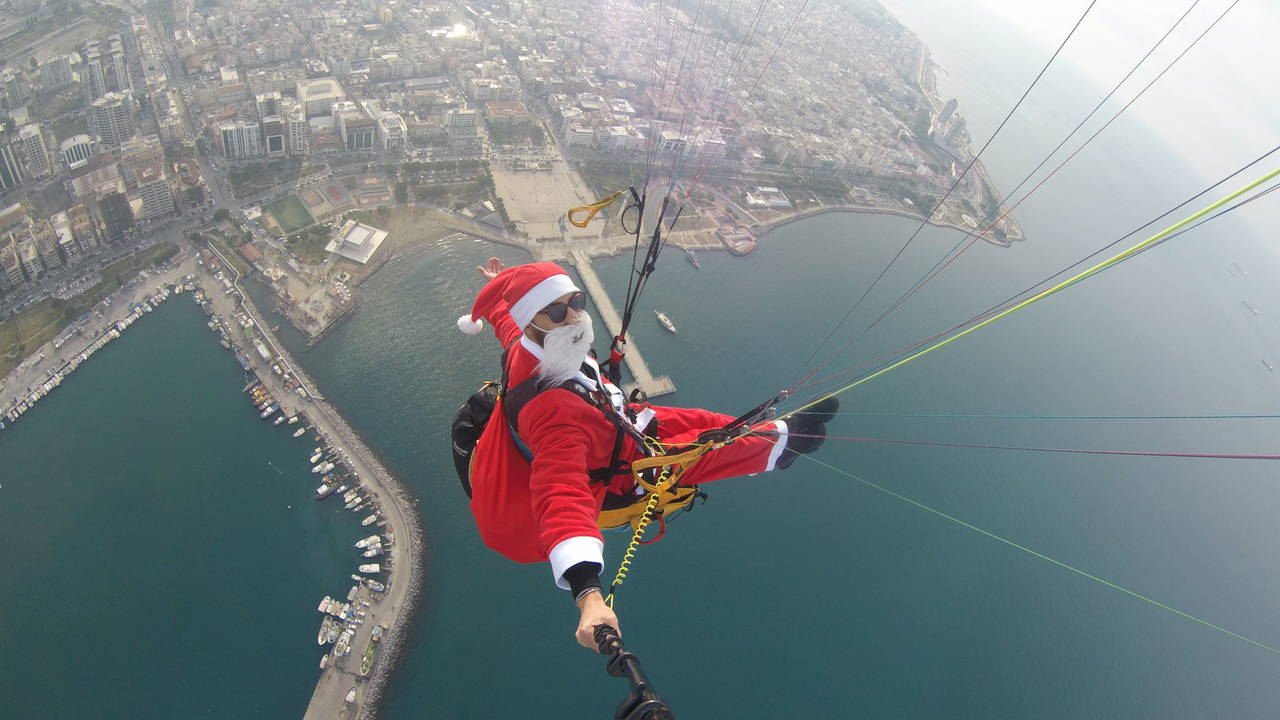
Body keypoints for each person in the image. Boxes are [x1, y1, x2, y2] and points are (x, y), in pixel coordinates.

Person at [457, 259, 835, 649]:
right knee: (704, 450)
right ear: (532, 322)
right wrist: (588, 596)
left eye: (577, 302)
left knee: (703, 420)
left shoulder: (535, 344)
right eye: (555, 311)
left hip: (613, 424)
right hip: (616, 472)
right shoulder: (553, 413)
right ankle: (785, 443)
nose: (573, 317)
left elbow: (507, 324)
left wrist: (501, 291)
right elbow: (561, 493)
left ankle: (771, 430)